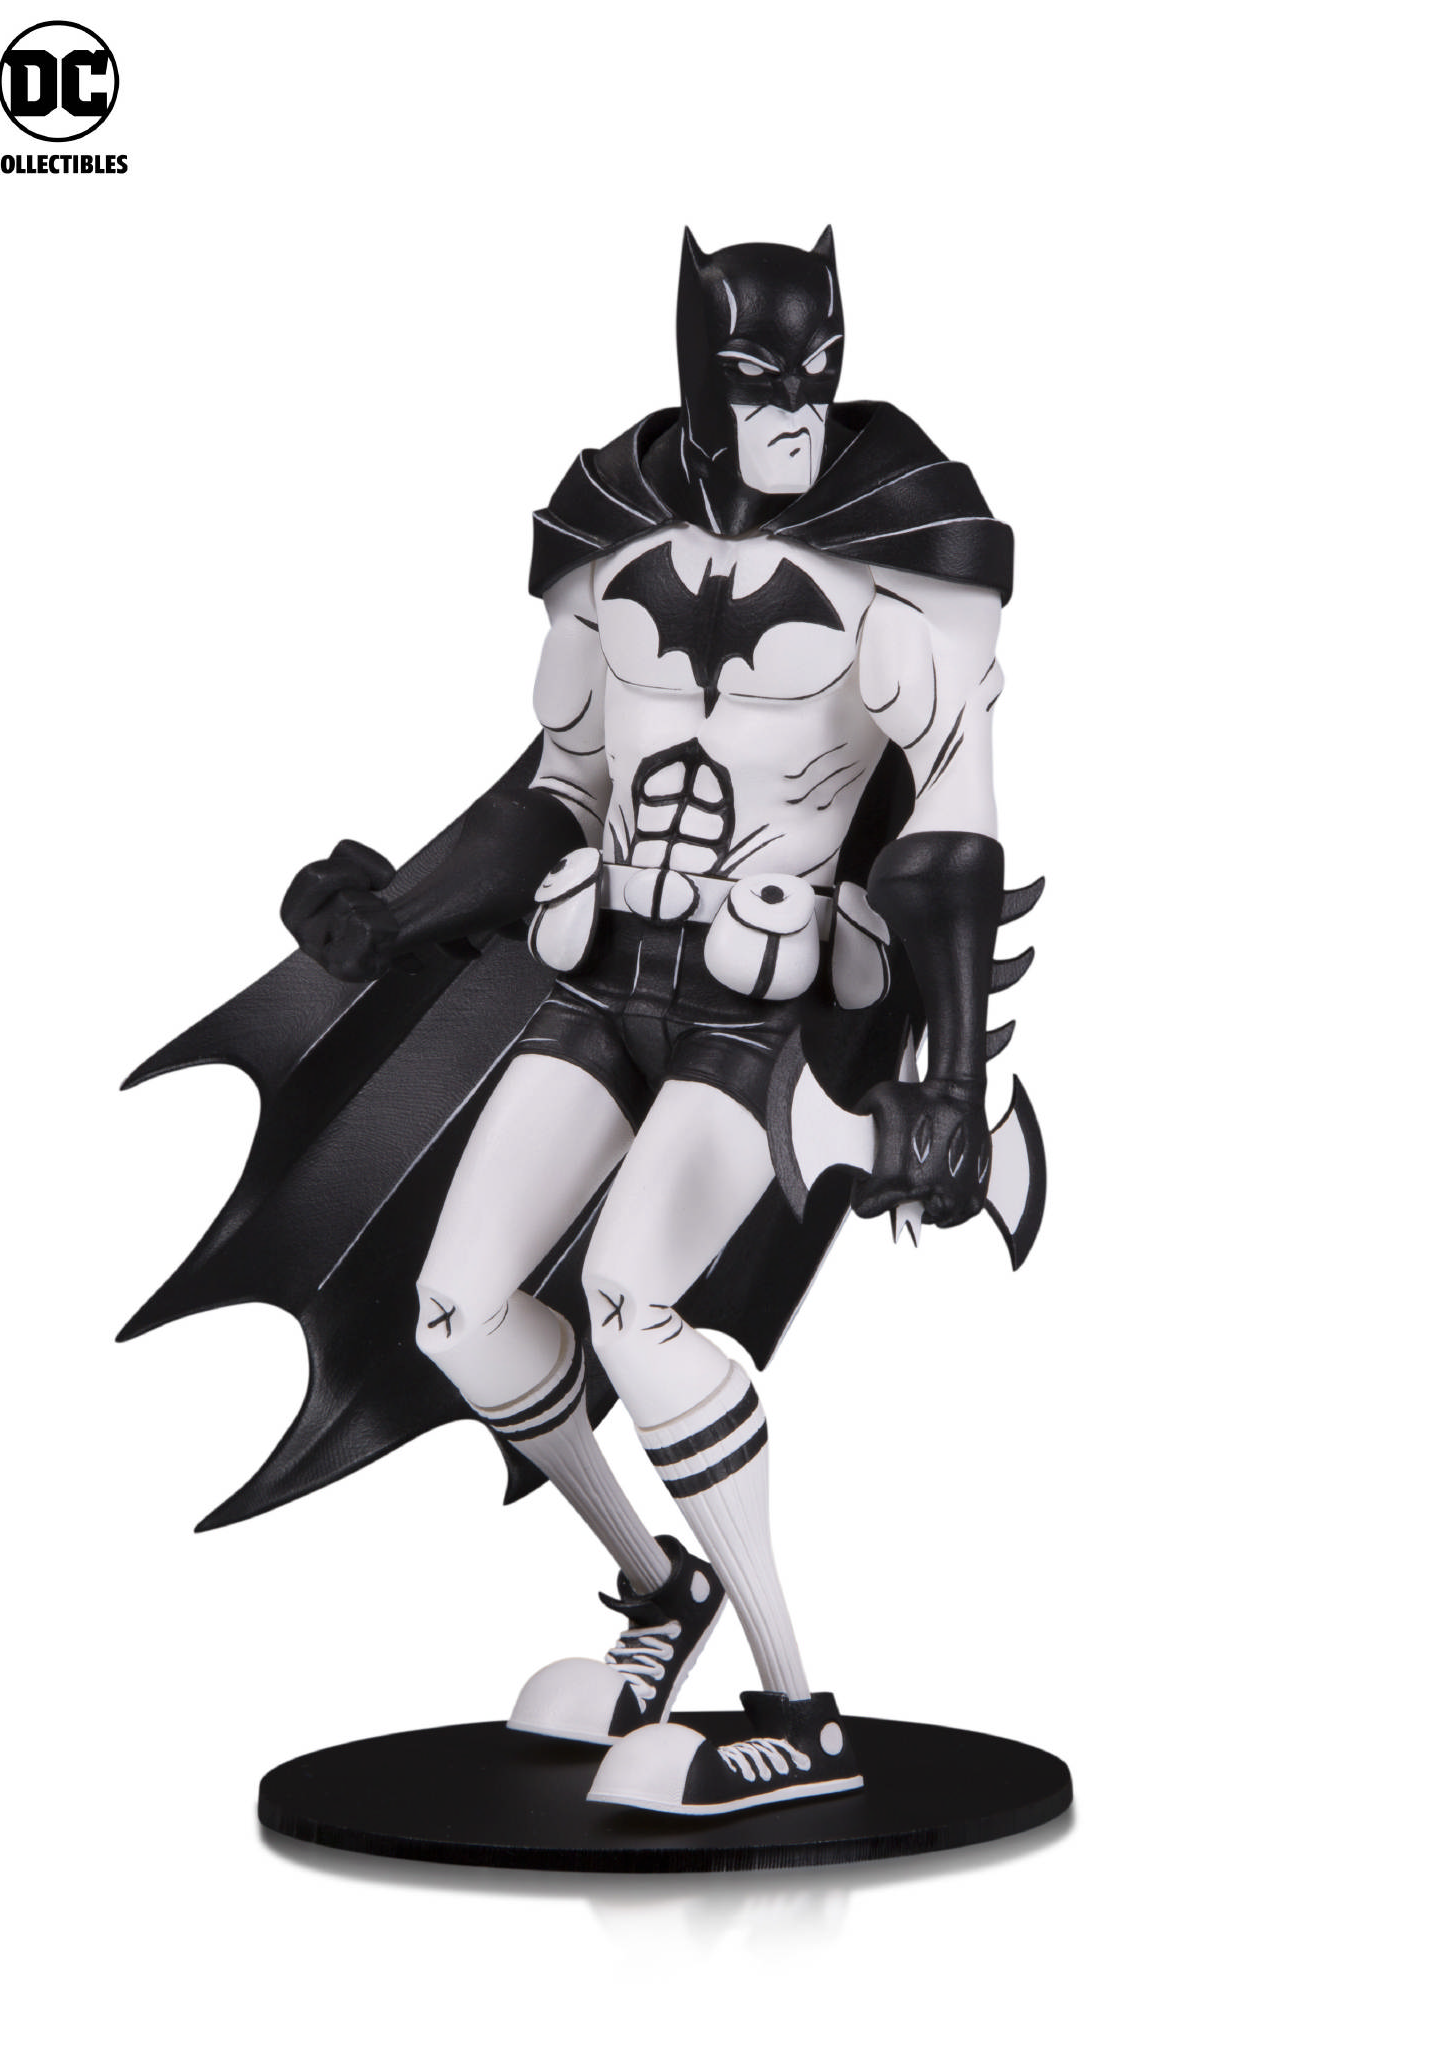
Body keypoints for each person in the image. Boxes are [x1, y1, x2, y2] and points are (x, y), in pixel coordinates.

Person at [278, 228, 1022, 1817]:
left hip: (763, 1018)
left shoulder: (893, 569)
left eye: (815, 373)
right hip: (603, 981)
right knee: (457, 1309)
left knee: (634, 1305)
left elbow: (950, 830)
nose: (796, 409)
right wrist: (393, 914)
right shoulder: (608, 555)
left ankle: (798, 1711)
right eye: (758, 379)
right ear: (698, 374)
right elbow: (553, 793)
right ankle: (652, 1588)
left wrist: (951, 1071)